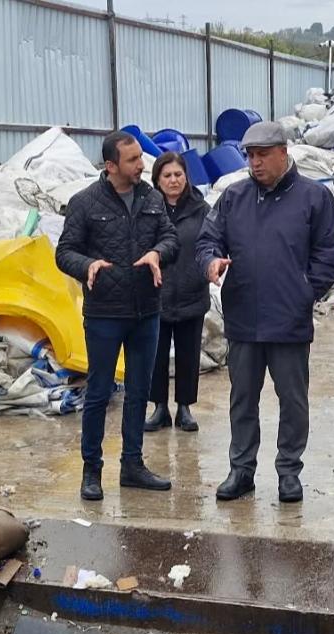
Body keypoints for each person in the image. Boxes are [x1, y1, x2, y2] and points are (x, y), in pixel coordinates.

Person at [195, 122, 334, 503]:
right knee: (242, 399)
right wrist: (210, 261)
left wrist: (303, 293)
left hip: (289, 320)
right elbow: (208, 239)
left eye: (262, 155)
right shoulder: (234, 197)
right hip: (243, 317)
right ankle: (241, 470)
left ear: (283, 152)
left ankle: (289, 471)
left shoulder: (314, 198)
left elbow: (329, 255)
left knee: (293, 400)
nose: (254, 163)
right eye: (249, 155)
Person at [56, 131, 179, 501]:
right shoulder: (85, 203)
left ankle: (133, 465)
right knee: (98, 392)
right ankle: (91, 471)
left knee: (139, 391)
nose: (142, 165)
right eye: (132, 160)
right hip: (105, 314)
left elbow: (172, 239)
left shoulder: (152, 198)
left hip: (146, 312)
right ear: (111, 166)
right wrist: (88, 264)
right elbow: (64, 252)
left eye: (141, 157)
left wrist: (158, 252)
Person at [144, 152, 211, 434]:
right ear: (158, 180)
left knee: (188, 354)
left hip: (191, 291)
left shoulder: (201, 209)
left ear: (186, 177)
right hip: (155, 294)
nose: (173, 180)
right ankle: (159, 407)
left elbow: (212, 242)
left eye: (178, 175)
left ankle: (184, 407)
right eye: (167, 176)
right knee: (154, 355)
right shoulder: (148, 208)